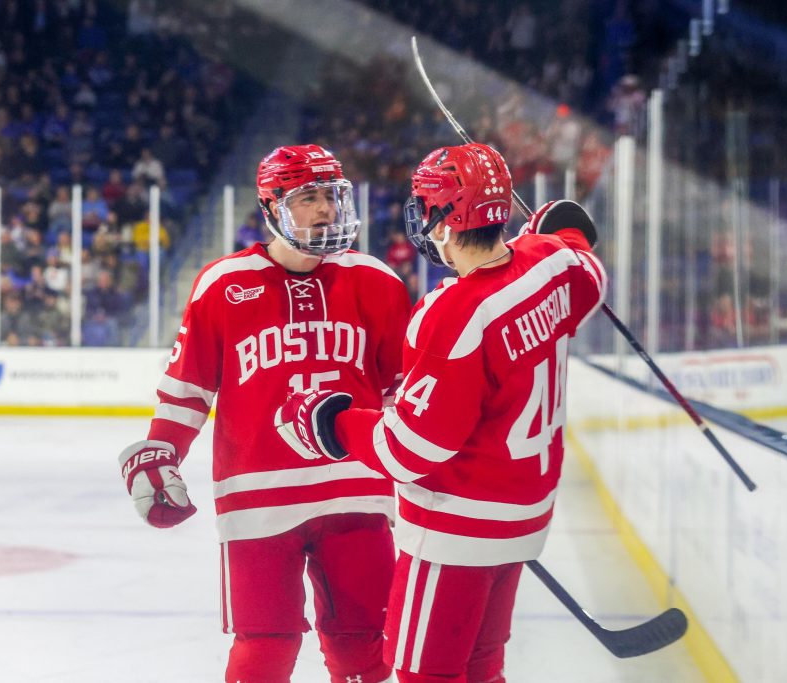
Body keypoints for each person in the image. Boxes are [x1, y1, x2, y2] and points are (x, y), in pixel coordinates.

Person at [275, 142, 607, 682]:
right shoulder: (551, 263)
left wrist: (330, 420)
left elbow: (411, 449)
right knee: (480, 667)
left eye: (427, 209)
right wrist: (561, 228)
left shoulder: (454, 315)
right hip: (525, 513)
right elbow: (587, 271)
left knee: (422, 673)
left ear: (445, 218)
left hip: (457, 529)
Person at [117, 144, 412, 683]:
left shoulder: (378, 282)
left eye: (331, 196)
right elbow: (188, 389)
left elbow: (404, 392)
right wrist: (164, 450)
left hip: (356, 492)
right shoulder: (224, 285)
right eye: (308, 198)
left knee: (364, 645)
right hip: (257, 500)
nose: (325, 210)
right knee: (265, 648)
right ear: (272, 205)